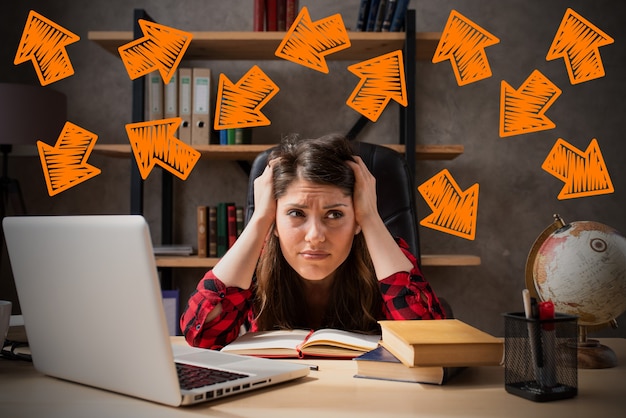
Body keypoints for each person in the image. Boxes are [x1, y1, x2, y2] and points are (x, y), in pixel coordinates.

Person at [181, 133, 446, 349]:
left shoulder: (385, 255)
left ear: (356, 220)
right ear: (275, 217)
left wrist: (371, 218)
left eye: (335, 214)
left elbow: (429, 342)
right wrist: (260, 220)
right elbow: (202, 335)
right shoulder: (255, 261)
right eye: (296, 213)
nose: (315, 236)